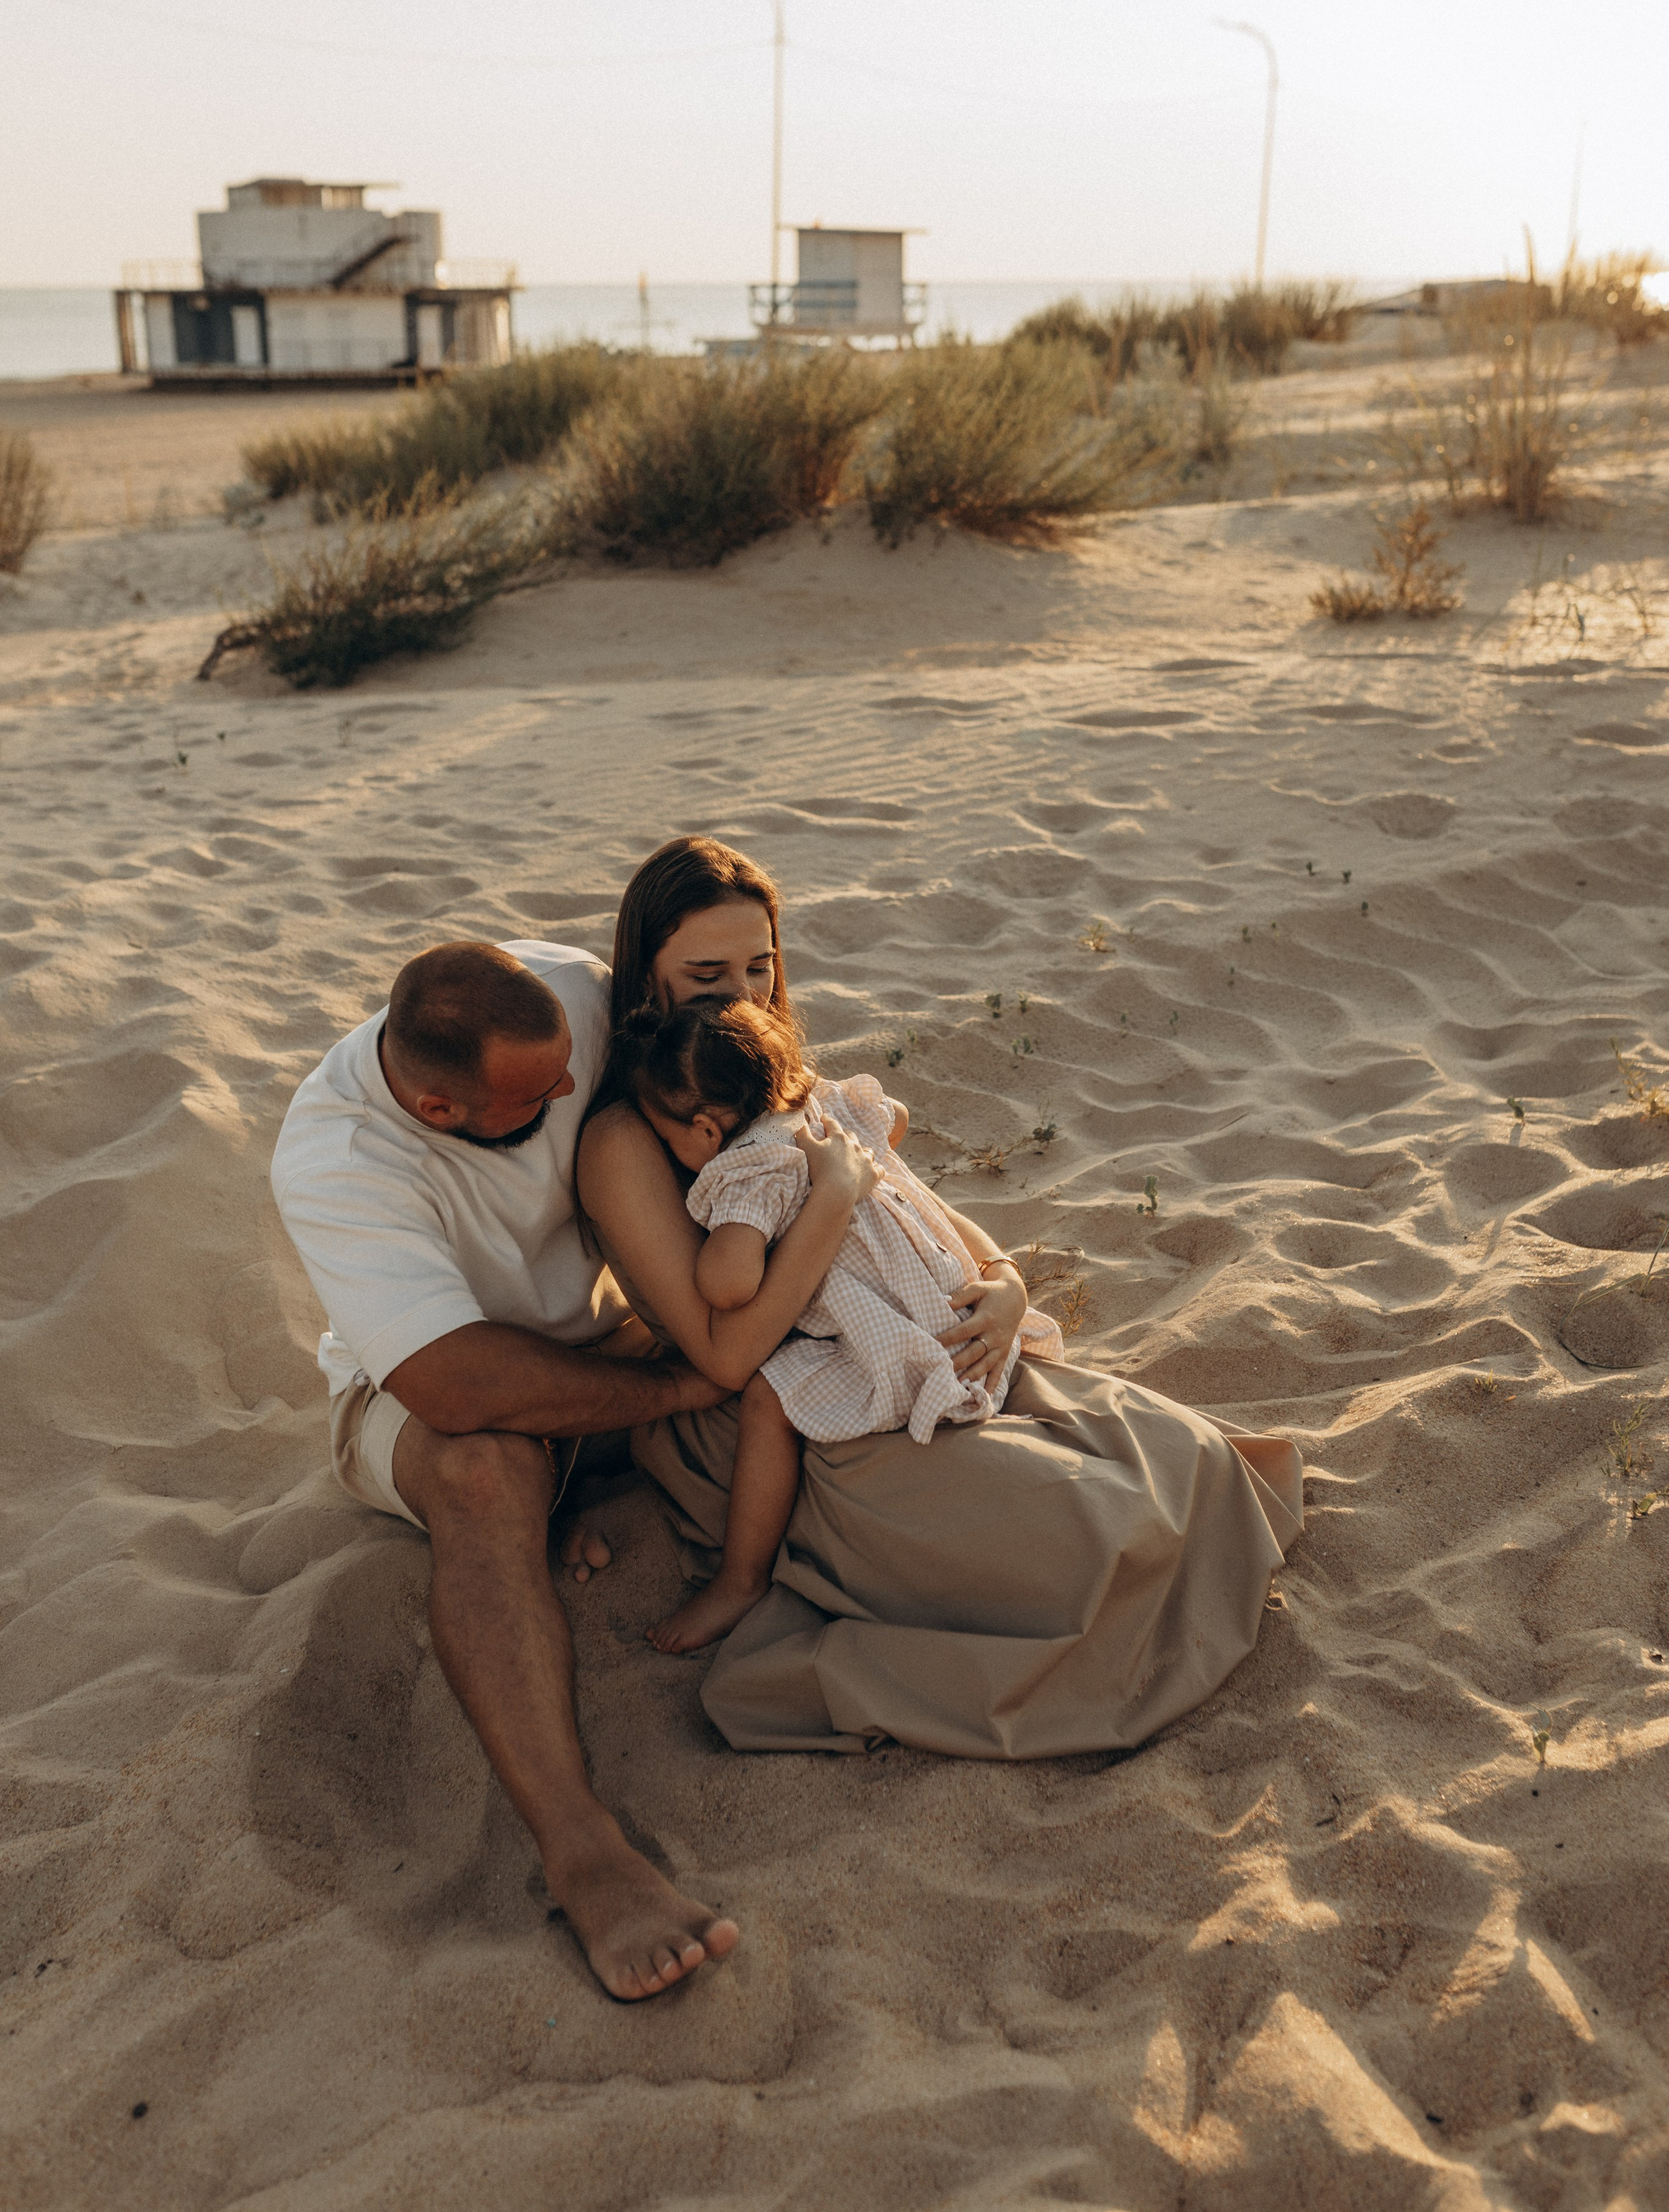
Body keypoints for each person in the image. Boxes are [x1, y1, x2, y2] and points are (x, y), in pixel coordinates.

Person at [578, 836, 1306, 1760]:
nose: (742, 999)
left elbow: (919, 1212)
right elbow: (729, 1355)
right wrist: (831, 1201)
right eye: (706, 974)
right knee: (1091, 1543)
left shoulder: (771, 1085)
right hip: (794, 1418)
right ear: (646, 980)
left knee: (1187, 1461)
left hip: (904, 1348)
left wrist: (1004, 1286)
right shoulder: (632, 1139)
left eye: (760, 968)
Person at [270, 934, 876, 1998]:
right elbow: (452, 1386)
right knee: (488, 1472)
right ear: (442, 1110)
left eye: (567, 1065)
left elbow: (759, 1085)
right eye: (541, 1095)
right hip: (420, 1394)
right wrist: (683, 1388)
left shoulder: (572, 997)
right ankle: (584, 1850)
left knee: (827, 1366)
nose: (571, 1087)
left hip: (617, 1343)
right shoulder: (335, 1156)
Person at [615, 993, 1064, 1655]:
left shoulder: (751, 1168)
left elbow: (728, 1282)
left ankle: (739, 1580)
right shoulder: (827, 1111)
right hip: (953, 1307)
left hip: (896, 1337)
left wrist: (724, 1236)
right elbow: (900, 1120)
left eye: (667, 1136)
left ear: (708, 1129)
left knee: (771, 1398)